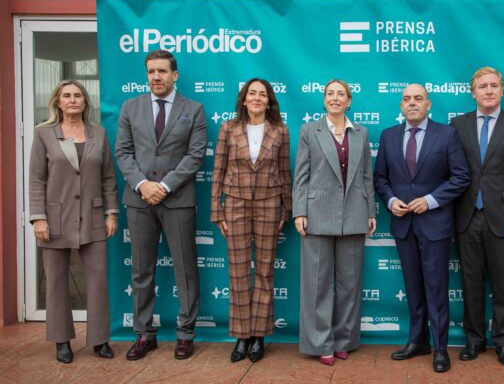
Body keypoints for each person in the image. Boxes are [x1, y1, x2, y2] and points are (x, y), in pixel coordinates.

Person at [115, 50, 208, 361]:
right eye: (151, 72)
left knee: (185, 269)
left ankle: (185, 334)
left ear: (174, 75)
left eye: (162, 72)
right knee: (142, 270)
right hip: (139, 199)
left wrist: (165, 186)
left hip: (177, 199)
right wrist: (144, 185)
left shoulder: (193, 109)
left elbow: (195, 156)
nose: (156, 77)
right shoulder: (130, 107)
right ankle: (144, 334)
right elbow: (124, 153)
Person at [374, 83, 470, 373]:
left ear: (428, 104)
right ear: (401, 106)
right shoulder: (388, 136)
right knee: (413, 288)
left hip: (435, 224)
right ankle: (418, 341)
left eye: (418, 99)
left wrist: (430, 201)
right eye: (406, 99)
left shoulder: (447, 134)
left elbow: (460, 177)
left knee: (436, 288)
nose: (412, 103)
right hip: (403, 225)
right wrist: (390, 201)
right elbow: (380, 179)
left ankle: (440, 347)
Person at [28, 80, 119, 363]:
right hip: (54, 219)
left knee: (97, 280)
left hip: (92, 217)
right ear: (57, 101)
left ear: (85, 101)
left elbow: (107, 177)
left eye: (78, 95)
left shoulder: (99, 134)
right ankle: (61, 341)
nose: (72, 100)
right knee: (55, 281)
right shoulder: (43, 134)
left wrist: (112, 212)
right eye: (66, 95)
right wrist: (38, 218)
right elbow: (36, 180)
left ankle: (99, 339)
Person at [450, 67, 504, 366]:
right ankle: (473, 340)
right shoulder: (457, 125)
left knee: (502, 284)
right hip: (466, 217)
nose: (488, 90)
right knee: (470, 283)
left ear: (502, 90)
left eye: (494, 85)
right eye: (482, 86)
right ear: (472, 92)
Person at [293, 78, 376, 366]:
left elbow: (366, 175)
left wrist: (371, 211)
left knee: (350, 283)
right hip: (316, 214)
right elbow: (301, 174)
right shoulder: (309, 130)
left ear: (349, 100)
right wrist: (299, 211)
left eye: (341, 94)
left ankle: (344, 340)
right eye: (330, 93)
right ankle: (320, 343)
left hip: (354, 214)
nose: (335, 98)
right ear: (324, 100)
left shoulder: (361, 133)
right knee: (316, 283)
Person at [211, 78, 292, 363]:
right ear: (244, 100)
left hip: (270, 205)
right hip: (235, 204)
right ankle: (241, 336)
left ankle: (259, 336)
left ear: (269, 101)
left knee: (265, 272)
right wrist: (216, 211)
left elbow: (285, 172)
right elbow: (217, 171)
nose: (256, 98)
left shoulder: (280, 131)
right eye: (251, 93)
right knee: (238, 272)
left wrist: (287, 208)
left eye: (262, 94)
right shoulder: (228, 129)